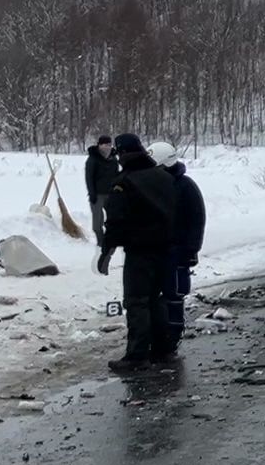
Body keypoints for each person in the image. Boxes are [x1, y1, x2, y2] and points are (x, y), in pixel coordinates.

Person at [96, 134, 178, 371]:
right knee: (156, 298)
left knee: (137, 301)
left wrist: (107, 251)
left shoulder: (125, 182)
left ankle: (137, 355)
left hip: (139, 251)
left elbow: (115, 221)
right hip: (165, 248)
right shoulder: (163, 177)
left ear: (121, 153)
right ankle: (163, 349)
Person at [148, 141, 206, 354]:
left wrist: (191, 250)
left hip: (178, 251)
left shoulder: (185, 186)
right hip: (156, 251)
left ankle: (171, 336)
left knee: (174, 295)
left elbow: (197, 219)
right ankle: (156, 336)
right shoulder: (155, 184)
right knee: (153, 296)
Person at [84, 135, 119, 248]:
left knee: (113, 219)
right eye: (105, 145)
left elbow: (117, 175)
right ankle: (100, 241)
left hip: (111, 194)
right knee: (97, 222)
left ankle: (111, 240)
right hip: (97, 195)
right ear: (99, 145)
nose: (107, 147)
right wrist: (92, 193)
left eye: (109, 145)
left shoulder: (114, 159)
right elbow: (89, 178)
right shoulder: (93, 159)